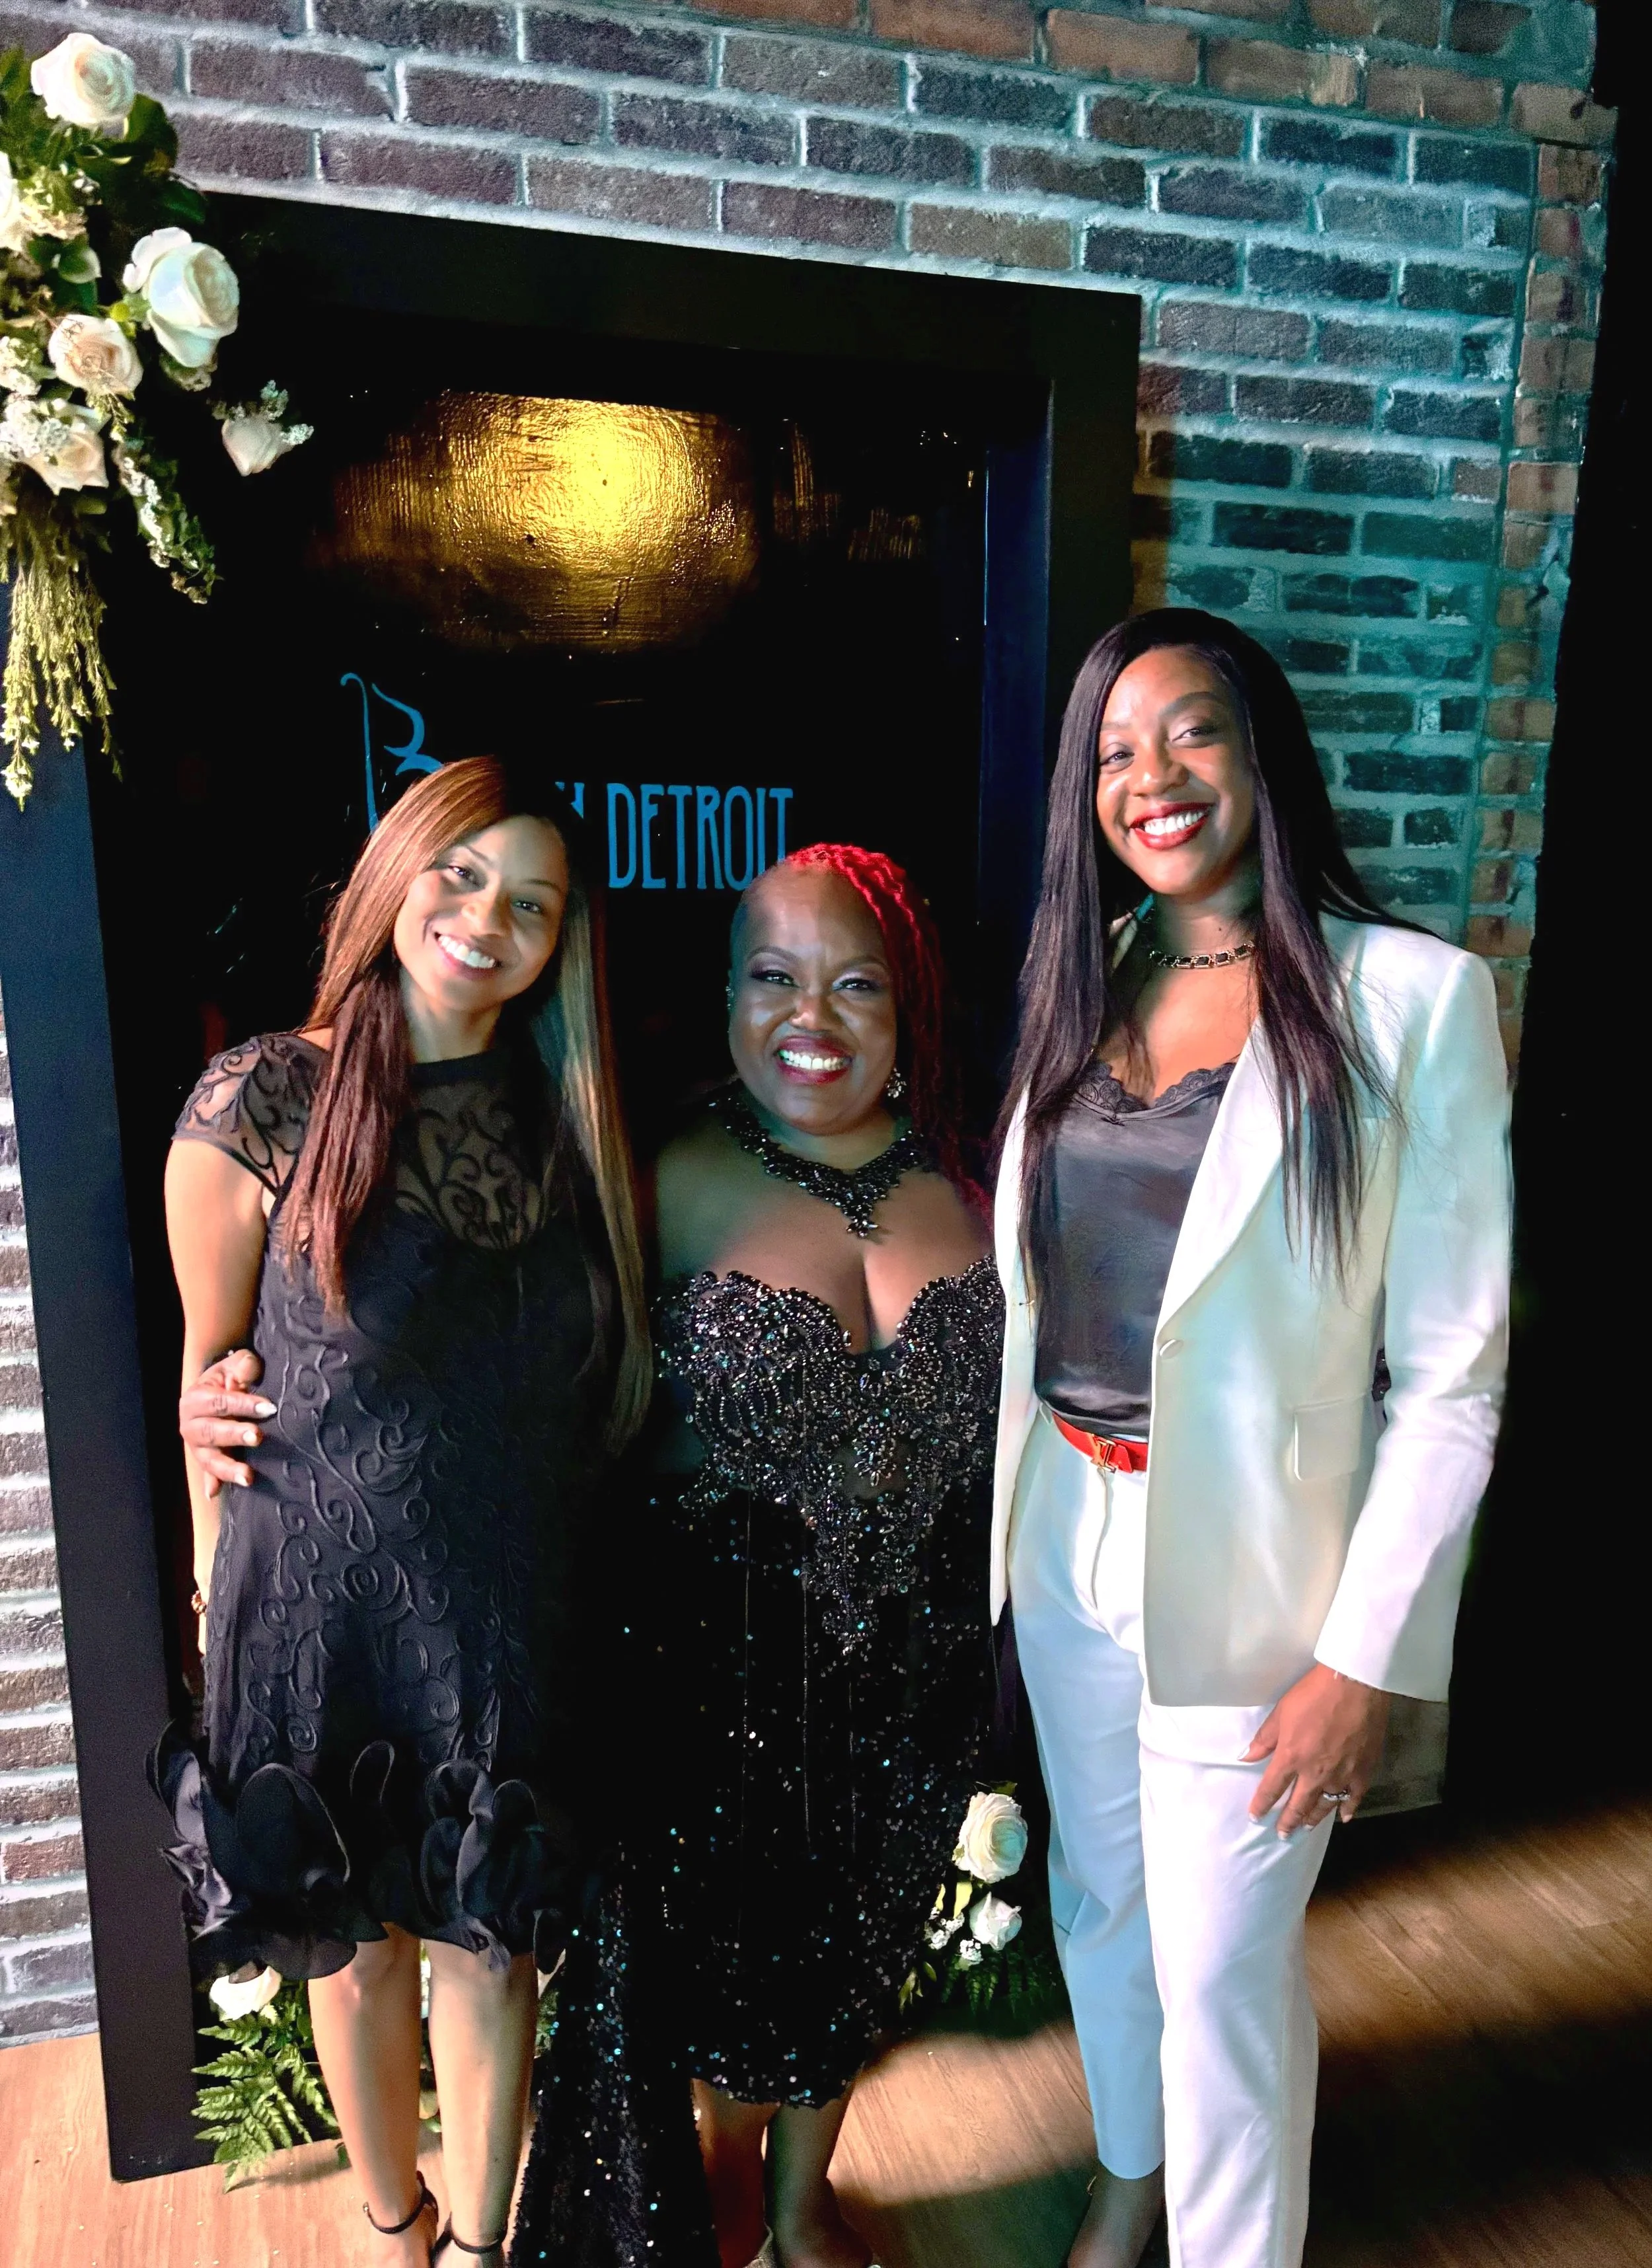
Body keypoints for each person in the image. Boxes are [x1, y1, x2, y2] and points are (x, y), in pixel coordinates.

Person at [994, 610, 1511, 2268]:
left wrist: (1365, 1659)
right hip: (1067, 1533)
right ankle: (1132, 2172)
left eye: (1189, 732)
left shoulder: (1409, 1000)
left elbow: (1449, 1378)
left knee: (1224, 1968)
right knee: (1103, 1907)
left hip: (1259, 1580)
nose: (1149, 777)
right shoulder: (1089, 981)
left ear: (1260, 751)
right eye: (1111, 752)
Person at [153, 758, 663, 2268]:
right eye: (457, 875)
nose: (483, 919)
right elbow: (212, 1388)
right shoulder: (261, 1099)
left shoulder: (572, 1115)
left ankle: (480, 2250)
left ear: (561, 941)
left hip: (511, 1605)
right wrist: (207, 1610)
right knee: (357, 1958)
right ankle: (395, 2224)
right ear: (393, 877)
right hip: (315, 1611)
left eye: (531, 902)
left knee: (490, 1952)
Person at [525, 845, 1002, 2268]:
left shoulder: (977, 1185)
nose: (814, 1016)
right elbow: (528, 1397)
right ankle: (723, 2209)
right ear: (729, 994)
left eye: (856, 983)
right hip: (706, 1678)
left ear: (907, 1005)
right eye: (776, 977)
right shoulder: (655, 1177)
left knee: (860, 1957)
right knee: (716, 1991)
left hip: (912, 1677)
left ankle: (802, 2205)